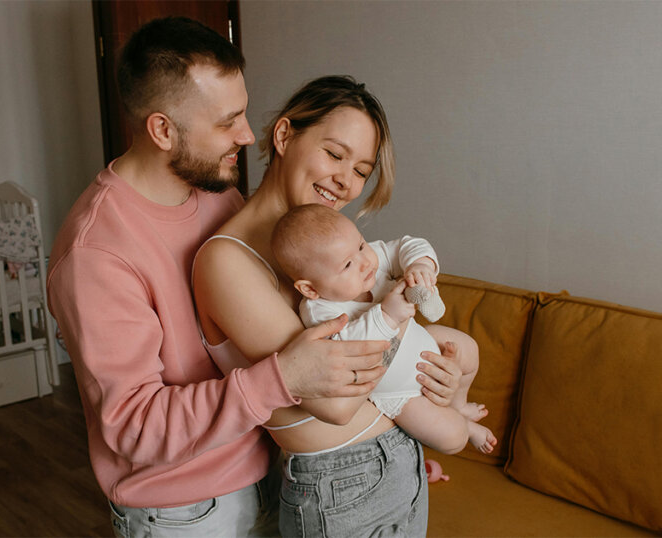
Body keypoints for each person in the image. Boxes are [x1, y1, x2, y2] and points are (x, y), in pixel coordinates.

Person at [46, 17, 458, 538]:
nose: (247, 135)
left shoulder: (217, 193)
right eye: (227, 121)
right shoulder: (95, 253)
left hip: (277, 474)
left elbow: (287, 346)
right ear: (162, 130)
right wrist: (286, 378)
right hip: (190, 510)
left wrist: (380, 450)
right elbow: (134, 425)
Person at [192, 75, 470, 537]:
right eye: (335, 154)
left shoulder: (326, 250)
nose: (346, 181)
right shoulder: (227, 260)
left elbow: (373, 347)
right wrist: (403, 332)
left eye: (362, 170)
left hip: (397, 458)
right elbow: (334, 403)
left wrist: (434, 373)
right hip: (342, 485)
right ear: (284, 136)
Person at [272, 203, 498, 455]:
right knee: (452, 439)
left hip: (421, 341)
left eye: (360, 245)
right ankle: (465, 426)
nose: (365, 262)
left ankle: (459, 404)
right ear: (310, 289)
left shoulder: (372, 261)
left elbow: (407, 245)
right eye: (347, 265)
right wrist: (387, 316)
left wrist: (420, 266)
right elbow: (346, 353)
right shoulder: (320, 311)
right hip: (399, 393)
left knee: (467, 347)